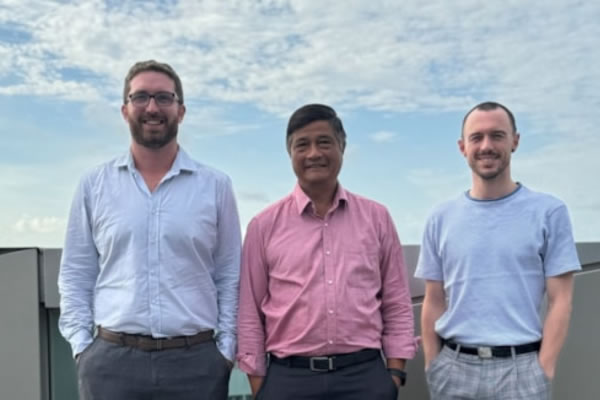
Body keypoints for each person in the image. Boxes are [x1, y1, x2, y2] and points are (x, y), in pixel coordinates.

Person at [58, 60, 241, 400]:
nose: (152, 107)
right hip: (111, 364)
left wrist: (225, 350)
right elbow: (76, 272)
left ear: (181, 111)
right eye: (140, 97)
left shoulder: (216, 186)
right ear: (125, 110)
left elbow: (230, 274)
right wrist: (83, 349)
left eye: (163, 98)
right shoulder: (93, 185)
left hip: (196, 365)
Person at [237, 103, 417, 400]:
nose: (314, 154)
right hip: (288, 379)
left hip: (364, 377)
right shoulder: (263, 226)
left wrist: (394, 376)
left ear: (342, 147)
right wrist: (260, 387)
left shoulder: (377, 218)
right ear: (290, 153)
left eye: (324, 142)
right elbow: (249, 312)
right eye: (302, 145)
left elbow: (396, 302)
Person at [415, 101, 580, 399]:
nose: (486, 146)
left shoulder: (549, 212)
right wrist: (432, 363)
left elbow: (561, 300)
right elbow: (434, 298)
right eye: (477, 137)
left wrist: (544, 368)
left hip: (523, 371)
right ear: (462, 146)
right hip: (453, 369)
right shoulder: (440, 218)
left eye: (497, 135)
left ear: (515, 141)